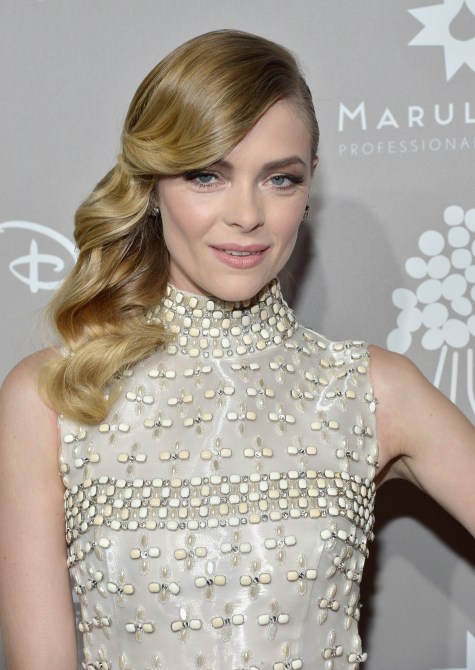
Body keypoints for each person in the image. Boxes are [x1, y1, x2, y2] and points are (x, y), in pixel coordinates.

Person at [0, 29, 473, 670]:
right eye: (207, 175)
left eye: (280, 179)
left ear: (308, 189)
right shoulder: (55, 396)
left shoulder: (371, 390)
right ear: (151, 186)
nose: (247, 214)